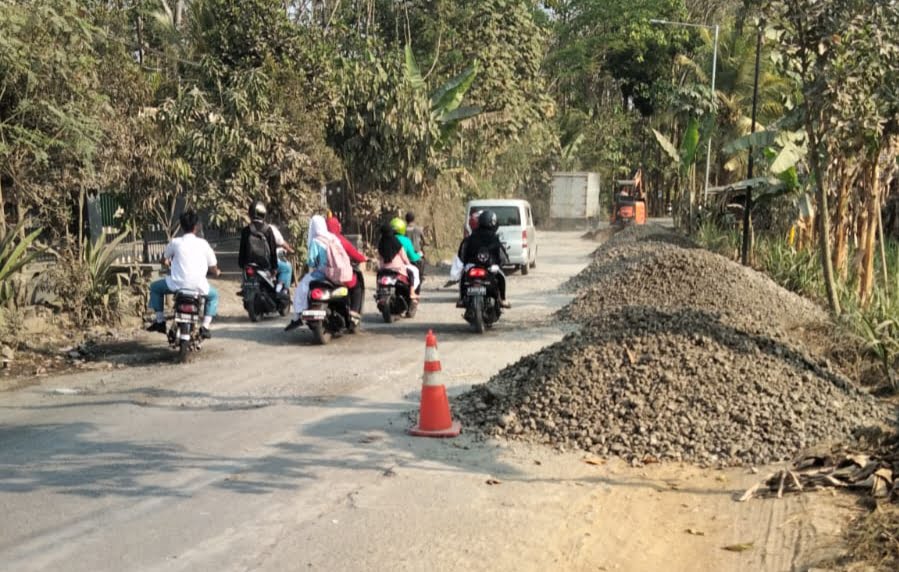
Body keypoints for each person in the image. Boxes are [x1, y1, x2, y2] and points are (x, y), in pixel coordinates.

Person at [147, 210, 220, 338]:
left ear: (181, 226)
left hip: (176, 284)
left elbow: (164, 259)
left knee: (154, 288)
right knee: (214, 296)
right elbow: (213, 267)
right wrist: (217, 272)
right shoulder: (203, 244)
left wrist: (167, 262)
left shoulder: (175, 242)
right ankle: (205, 326)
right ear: (196, 227)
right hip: (198, 286)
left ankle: (159, 321)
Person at [284, 215, 354, 332]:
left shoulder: (316, 241)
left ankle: (299, 313)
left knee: (302, 288)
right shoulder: (332, 238)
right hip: (336, 274)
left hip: (321, 274)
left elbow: (311, 262)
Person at [462, 209, 510, 308]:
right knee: (501, 278)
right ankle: (503, 299)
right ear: (493, 222)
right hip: (489, 267)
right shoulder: (494, 238)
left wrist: (465, 263)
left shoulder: (471, 237)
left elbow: (463, 252)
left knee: (463, 277)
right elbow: (502, 255)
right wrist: (502, 262)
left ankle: (462, 298)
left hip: (472, 266)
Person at [326, 213, 367, 313]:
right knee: (357, 288)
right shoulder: (340, 240)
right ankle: (354, 313)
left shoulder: (322, 239)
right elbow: (355, 254)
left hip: (325, 275)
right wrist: (364, 258)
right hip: (341, 276)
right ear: (337, 227)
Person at [238, 201, 282, 289]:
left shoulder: (246, 230)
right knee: (271, 288)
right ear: (264, 214)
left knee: (245, 288)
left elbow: (242, 250)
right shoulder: (268, 230)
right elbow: (273, 250)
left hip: (249, 267)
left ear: (250, 214)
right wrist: (274, 268)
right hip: (265, 266)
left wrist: (242, 265)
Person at [376, 222, 419, 306]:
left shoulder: (381, 243)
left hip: (384, 269)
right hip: (397, 269)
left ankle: (379, 292)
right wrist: (408, 263)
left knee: (378, 277)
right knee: (411, 273)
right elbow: (403, 255)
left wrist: (381, 268)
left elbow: (380, 258)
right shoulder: (395, 241)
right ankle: (412, 292)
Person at [390, 217, 422, 294]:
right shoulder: (405, 240)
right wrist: (419, 255)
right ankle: (413, 292)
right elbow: (412, 257)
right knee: (415, 272)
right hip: (400, 267)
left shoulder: (385, 240)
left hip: (385, 267)